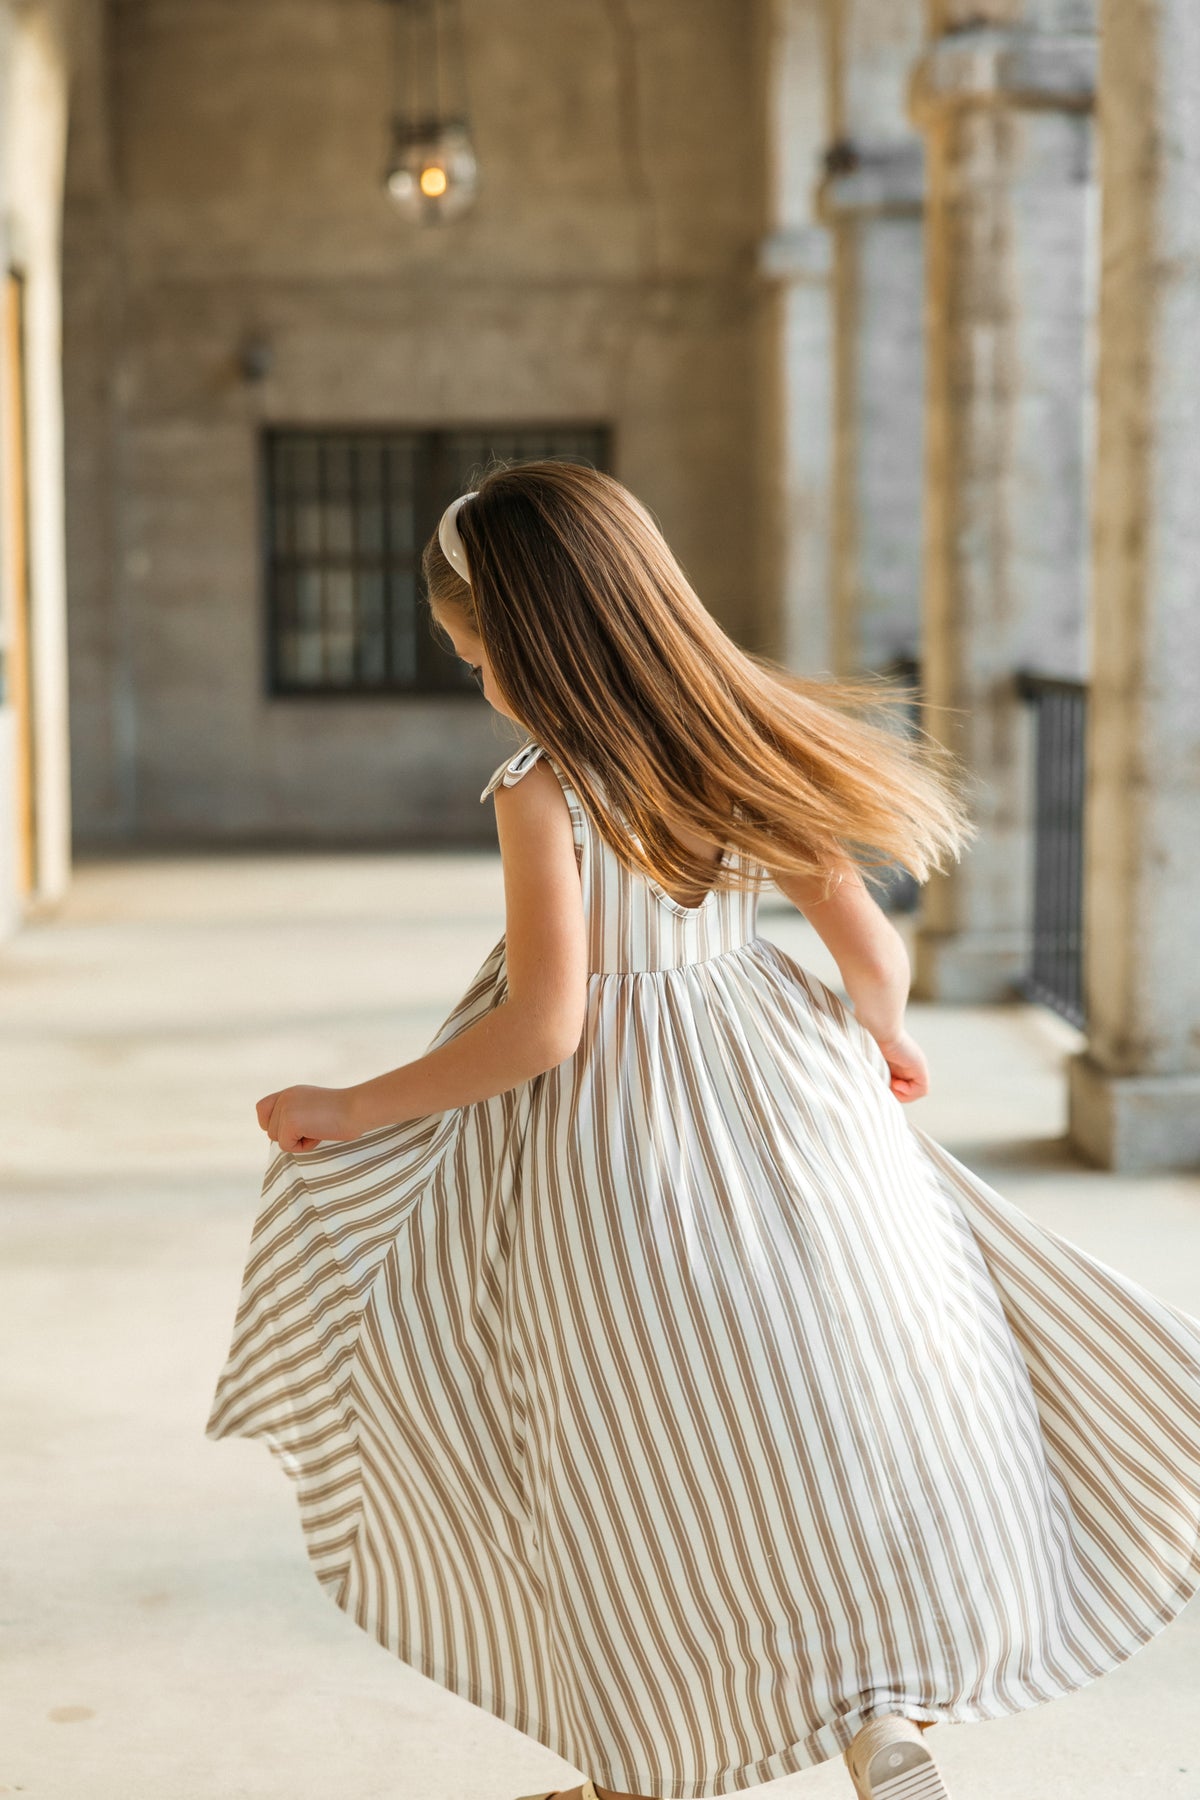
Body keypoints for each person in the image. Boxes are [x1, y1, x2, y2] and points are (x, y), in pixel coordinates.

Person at [207, 461, 1200, 1800]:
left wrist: (352, 1103)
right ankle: (881, 1728)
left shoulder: (540, 794)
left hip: (615, 1152)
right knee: (828, 1410)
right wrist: (886, 1041)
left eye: (476, 654)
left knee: (637, 1453)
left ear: (530, 644)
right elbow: (867, 946)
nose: (483, 683)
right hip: (790, 1100)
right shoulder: (739, 741)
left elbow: (545, 1030)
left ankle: (637, 1770)